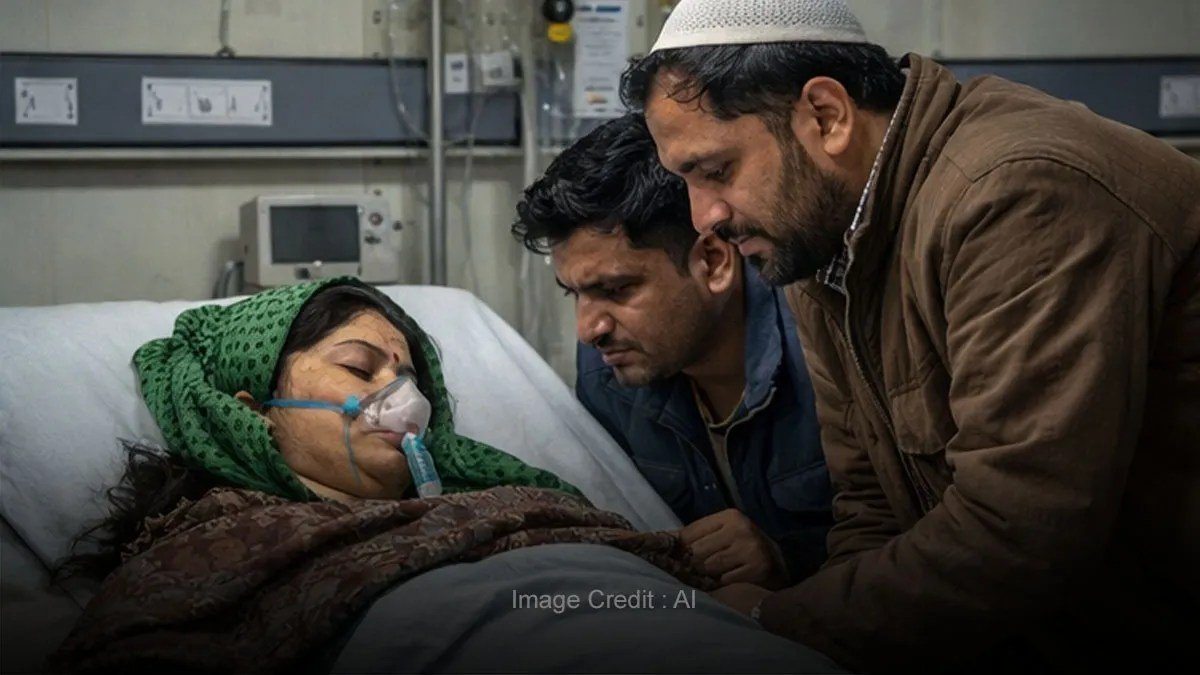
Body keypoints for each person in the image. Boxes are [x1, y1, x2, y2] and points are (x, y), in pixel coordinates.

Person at [622, 0, 1200, 671]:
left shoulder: (1016, 191)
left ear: (826, 116)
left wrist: (774, 620)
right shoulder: (818, 235)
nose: (705, 218)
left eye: (717, 170)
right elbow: (871, 505)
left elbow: (1020, 529)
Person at [49, 278, 842, 674]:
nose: (403, 399)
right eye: (361, 366)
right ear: (252, 409)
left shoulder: (507, 505)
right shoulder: (210, 553)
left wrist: (752, 587)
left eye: (408, 377)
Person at [512, 113, 833, 586]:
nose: (588, 329)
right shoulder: (608, 373)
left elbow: (914, 539)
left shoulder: (824, 355)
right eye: (573, 294)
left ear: (713, 262)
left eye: (616, 289)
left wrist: (791, 565)